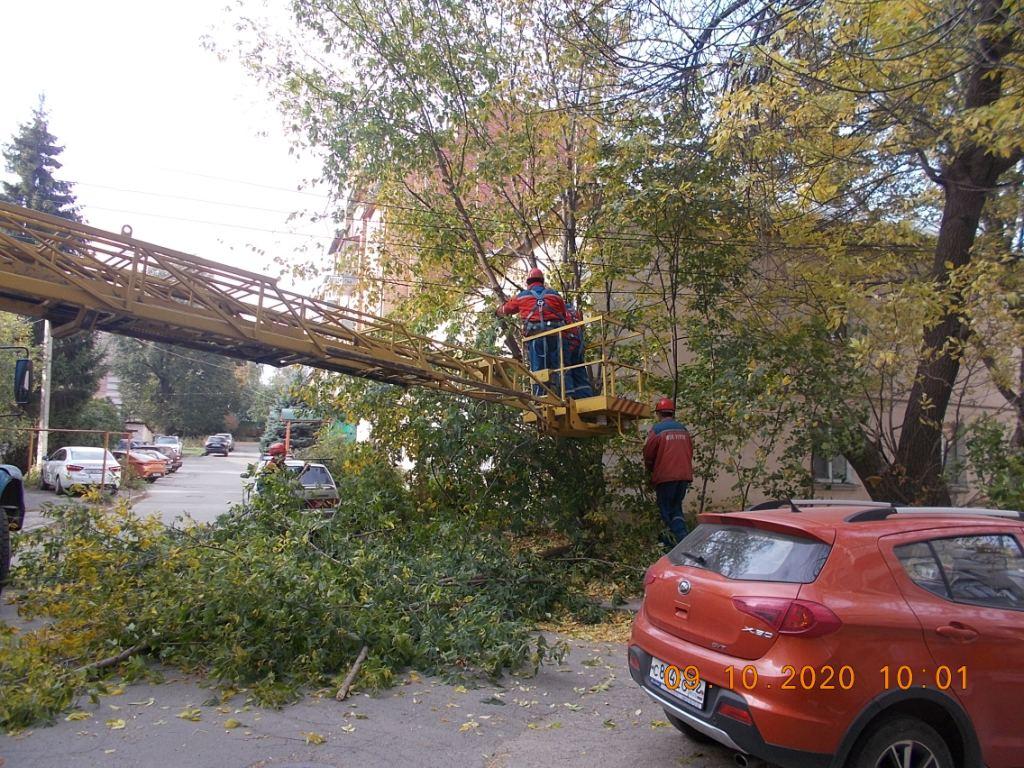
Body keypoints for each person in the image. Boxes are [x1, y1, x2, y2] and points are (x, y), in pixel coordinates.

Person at [496, 268, 568, 396]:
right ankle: (559, 394)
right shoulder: (555, 295)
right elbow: (564, 314)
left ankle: (540, 397)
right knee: (556, 367)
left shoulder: (522, 296)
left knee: (538, 369)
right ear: (542, 281)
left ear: (528, 282)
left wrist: (497, 311)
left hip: (536, 337)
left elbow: (506, 309)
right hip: (556, 336)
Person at [643, 398, 694, 548]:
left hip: (666, 478)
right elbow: (689, 452)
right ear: (672, 412)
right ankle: (673, 541)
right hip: (683, 476)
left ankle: (680, 544)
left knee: (666, 511)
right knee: (676, 508)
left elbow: (649, 454)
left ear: (658, 413)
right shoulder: (684, 430)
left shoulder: (657, 430)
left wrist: (650, 472)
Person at [562, 303, 594, 398]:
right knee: (579, 370)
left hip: (568, 345)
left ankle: (569, 395)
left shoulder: (562, 311)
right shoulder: (574, 313)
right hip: (578, 346)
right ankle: (585, 395)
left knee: (565, 369)